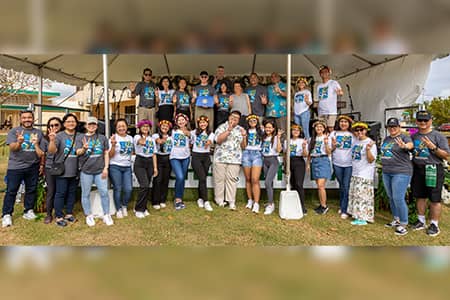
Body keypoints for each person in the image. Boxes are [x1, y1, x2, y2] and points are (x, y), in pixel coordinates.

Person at [410, 111, 450, 237]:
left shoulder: (438, 136)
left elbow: (447, 156)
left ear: (431, 121)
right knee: (420, 196)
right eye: (420, 120)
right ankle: (421, 221)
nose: (423, 123)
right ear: (416, 121)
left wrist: (433, 147)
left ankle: (434, 224)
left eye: (425, 120)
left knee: (434, 198)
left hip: (433, 168)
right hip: (418, 168)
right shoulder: (414, 137)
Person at [2, 110, 44, 228]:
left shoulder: (38, 133)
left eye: (29, 117)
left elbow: (41, 153)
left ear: (33, 119)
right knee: (11, 191)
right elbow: (13, 148)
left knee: (31, 190)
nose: (27, 120)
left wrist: (36, 146)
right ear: (21, 119)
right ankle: (7, 214)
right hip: (16, 167)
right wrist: (19, 142)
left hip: (33, 166)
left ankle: (28, 210)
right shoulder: (14, 131)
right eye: (24, 118)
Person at [76, 116, 113, 226]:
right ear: (85, 125)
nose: (92, 126)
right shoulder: (80, 137)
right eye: (89, 124)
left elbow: (106, 153)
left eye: (94, 124)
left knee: (104, 192)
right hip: (86, 171)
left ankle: (106, 214)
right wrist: (84, 148)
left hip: (100, 170)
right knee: (85, 193)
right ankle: (88, 215)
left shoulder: (102, 138)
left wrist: (106, 168)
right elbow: (77, 152)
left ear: (97, 126)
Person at [381, 117, 413, 235]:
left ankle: (403, 224)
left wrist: (404, 146)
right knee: (391, 197)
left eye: (395, 126)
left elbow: (410, 145)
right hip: (387, 171)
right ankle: (396, 219)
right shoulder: (387, 139)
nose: (392, 128)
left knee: (398, 198)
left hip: (401, 171)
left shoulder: (404, 137)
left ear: (399, 127)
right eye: (390, 127)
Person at [48, 113, 79, 227]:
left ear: (76, 123)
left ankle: (69, 214)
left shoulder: (80, 136)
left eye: (73, 121)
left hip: (75, 170)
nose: (71, 123)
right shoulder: (59, 136)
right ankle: (59, 216)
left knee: (71, 193)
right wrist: (51, 140)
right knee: (60, 193)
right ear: (64, 124)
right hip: (62, 171)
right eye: (68, 121)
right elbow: (52, 151)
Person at [213, 110, 246, 210]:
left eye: (236, 118)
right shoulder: (222, 127)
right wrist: (228, 130)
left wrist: (244, 136)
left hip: (235, 158)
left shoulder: (241, 129)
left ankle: (231, 201)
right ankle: (219, 200)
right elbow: (218, 140)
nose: (234, 119)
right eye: (232, 117)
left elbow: (243, 146)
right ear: (229, 117)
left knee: (232, 180)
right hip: (220, 157)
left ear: (239, 120)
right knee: (219, 180)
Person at [347, 122, 377, 225]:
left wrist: (368, 150)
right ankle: (356, 214)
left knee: (363, 196)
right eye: (357, 130)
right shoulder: (356, 142)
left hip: (365, 173)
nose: (359, 132)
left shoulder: (370, 143)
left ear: (366, 131)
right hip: (356, 172)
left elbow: (371, 160)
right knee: (356, 195)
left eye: (361, 130)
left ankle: (363, 218)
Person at [109, 119, 134, 219]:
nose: (121, 128)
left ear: (127, 127)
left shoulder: (130, 138)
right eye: (119, 126)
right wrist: (113, 144)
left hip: (127, 166)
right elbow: (110, 155)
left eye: (123, 126)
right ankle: (118, 209)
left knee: (128, 189)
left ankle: (124, 205)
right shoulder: (113, 138)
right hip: (115, 166)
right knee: (118, 188)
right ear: (116, 128)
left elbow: (131, 151)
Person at [133, 120, 158, 218]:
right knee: (144, 185)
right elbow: (140, 142)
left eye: (147, 126)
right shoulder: (137, 137)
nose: (145, 128)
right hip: (140, 162)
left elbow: (154, 154)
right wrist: (143, 140)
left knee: (147, 186)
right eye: (143, 126)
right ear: (139, 128)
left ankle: (143, 207)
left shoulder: (152, 139)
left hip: (150, 163)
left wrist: (155, 168)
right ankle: (139, 209)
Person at [330, 115, 354, 219]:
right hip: (337, 163)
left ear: (349, 124)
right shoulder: (334, 133)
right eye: (341, 121)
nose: (343, 123)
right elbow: (328, 149)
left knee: (346, 186)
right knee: (341, 186)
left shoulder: (353, 135)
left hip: (349, 164)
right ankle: (342, 205)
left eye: (345, 122)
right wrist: (334, 145)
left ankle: (345, 209)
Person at [41, 117, 63, 224]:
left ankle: (59, 212)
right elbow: (45, 153)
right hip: (50, 167)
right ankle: (49, 214)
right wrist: (52, 140)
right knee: (51, 191)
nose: (54, 127)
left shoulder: (65, 137)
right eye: (51, 125)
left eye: (56, 125)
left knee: (61, 191)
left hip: (63, 167)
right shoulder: (45, 139)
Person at [308, 120, 332, 215]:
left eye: (321, 127)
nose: (319, 128)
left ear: (324, 128)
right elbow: (310, 153)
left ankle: (324, 206)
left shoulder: (326, 138)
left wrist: (326, 143)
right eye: (317, 127)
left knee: (321, 185)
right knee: (319, 185)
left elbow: (329, 152)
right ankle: (321, 204)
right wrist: (308, 164)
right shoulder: (312, 139)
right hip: (314, 160)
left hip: (323, 160)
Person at [191, 115, 215, 212]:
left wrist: (208, 142)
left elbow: (210, 141)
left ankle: (200, 198)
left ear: (207, 123)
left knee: (202, 179)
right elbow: (190, 140)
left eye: (204, 122)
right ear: (198, 124)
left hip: (206, 157)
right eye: (201, 122)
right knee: (202, 178)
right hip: (196, 157)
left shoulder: (211, 133)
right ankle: (206, 201)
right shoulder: (194, 132)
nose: (202, 124)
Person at [241, 115, 264, 213]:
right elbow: (243, 146)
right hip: (246, 154)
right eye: (250, 121)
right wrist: (244, 137)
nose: (252, 122)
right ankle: (250, 200)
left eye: (254, 120)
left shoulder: (261, 131)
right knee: (248, 179)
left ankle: (256, 202)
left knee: (255, 179)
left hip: (257, 155)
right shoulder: (245, 131)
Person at [261, 118, 283, 215]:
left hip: (273, 160)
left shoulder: (274, 138)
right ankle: (271, 202)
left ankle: (270, 204)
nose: (268, 129)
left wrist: (278, 137)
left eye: (270, 127)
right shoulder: (264, 137)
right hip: (265, 160)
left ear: (274, 128)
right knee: (270, 183)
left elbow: (278, 150)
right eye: (266, 127)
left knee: (267, 182)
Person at [285, 124, 309, 215]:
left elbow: (305, 154)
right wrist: (285, 164)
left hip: (299, 161)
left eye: (297, 130)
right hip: (289, 162)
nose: (295, 131)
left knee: (299, 184)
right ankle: (293, 204)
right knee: (292, 184)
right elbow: (285, 153)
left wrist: (303, 148)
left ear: (300, 132)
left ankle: (302, 206)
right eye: (293, 130)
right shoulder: (287, 141)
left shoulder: (303, 141)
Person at [170, 113, 191, 210]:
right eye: (179, 120)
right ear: (176, 122)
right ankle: (177, 199)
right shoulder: (173, 131)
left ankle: (179, 198)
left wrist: (188, 134)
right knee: (180, 176)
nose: (181, 121)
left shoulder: (190, 132)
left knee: (182, 179)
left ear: (186, 121)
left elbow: (193, 142)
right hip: (175, 157)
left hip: (186, 157)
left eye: (183, 120)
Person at [152, 120, 173, 210]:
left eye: (167, 127)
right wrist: (163, 139)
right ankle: (155, 201)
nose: (165, 128)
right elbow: (159, 141)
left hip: (168, 158)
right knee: (158, 180)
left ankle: (162, 200)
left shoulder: (171, 137)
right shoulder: (155, 135)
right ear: (160, 127)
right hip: (159, 158)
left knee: (165, 180)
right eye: (163, 126)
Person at [316, 65, 343, 132]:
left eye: (326, 72)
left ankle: (332, 142)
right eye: (322, 72)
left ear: (329, 73)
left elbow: (341, 92)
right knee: (322, 129)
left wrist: (340, 93)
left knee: (330, 128)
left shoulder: (333, 83)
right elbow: (320, 99)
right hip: (321, 111)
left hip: (330, 111)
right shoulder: (319, 86)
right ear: (320, 74)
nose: (324, 73)